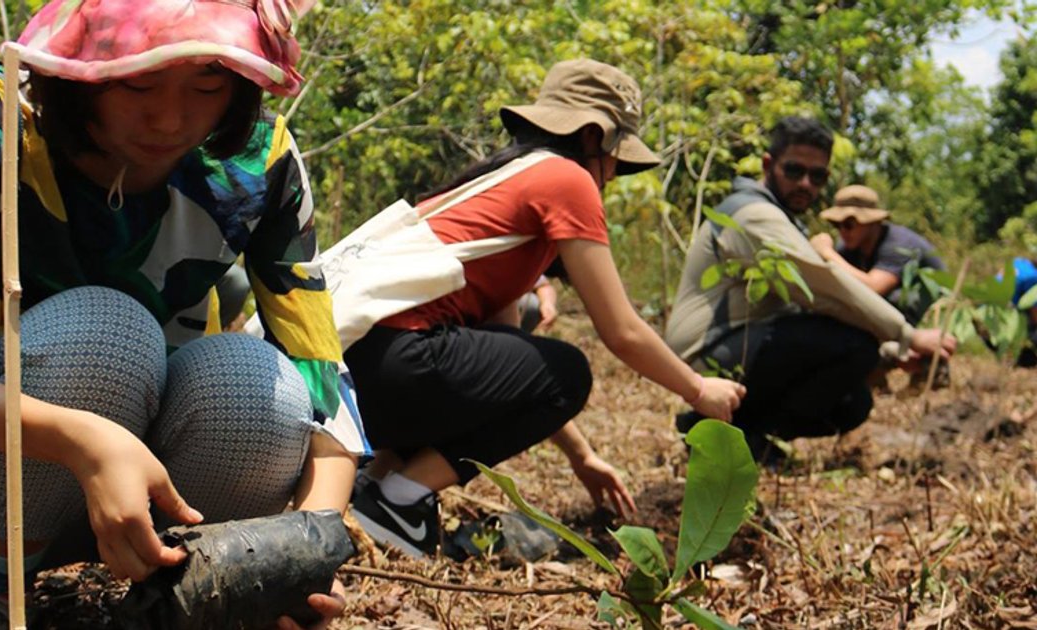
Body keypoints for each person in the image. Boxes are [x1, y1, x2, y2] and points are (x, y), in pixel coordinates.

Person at [0, 1, 363, 628]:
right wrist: (83, 441)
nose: (170, 118)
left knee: (261, 385)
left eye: (208, 83)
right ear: (77, 66)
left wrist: (306, 551)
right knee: (105, 332)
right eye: (139, 80)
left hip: (161, 486)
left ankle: (175, 598)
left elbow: (323, 384)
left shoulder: (262, 161)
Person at [344, 59, 746, 558]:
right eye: (617, 161)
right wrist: (699, 387)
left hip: (356, 378)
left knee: (529, 358)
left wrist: (583, 457)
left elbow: (508, 380)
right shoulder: (566, 179)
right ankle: (398, 501)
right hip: (393, 367)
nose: (613, 178)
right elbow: (621, 330)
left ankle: (379, 482)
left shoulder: (502, 182)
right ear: (595, 137)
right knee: (571, 369)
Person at [666, 117, 956, 462]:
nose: (805, 183)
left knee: (854, 402)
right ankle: (734, 435)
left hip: (741, 346)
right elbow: (824, 289)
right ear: (768, 165)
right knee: (854, 345)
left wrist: (892, 355)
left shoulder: (783, 217)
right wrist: (907, 334)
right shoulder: (754, 214)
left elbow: (801, 310)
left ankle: (738, 433)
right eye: (794, 171)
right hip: (706, 355)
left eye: (817, 176)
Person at [809, 184, 946, 324]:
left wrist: (827, 253)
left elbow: (873, 288)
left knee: (893, 299)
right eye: (837, 224)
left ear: (872, 222)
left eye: (849, 224)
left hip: (933, 310)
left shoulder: (899, 243)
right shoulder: (849, 246)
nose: (843, 231)